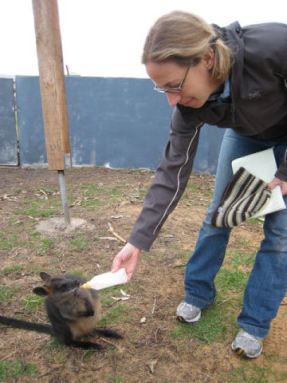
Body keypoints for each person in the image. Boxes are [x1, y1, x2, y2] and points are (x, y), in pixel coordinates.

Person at [111, 10, 287, 359]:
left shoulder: (273, 46)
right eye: (161, 89)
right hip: (247, 135)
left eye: (175, 86)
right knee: (217, 215)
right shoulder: (188, 109)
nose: (172, 101)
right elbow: (171, 172)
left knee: (280, 236)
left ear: (207, 58)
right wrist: (137, 241)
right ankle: (198, 293)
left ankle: (254, 323)